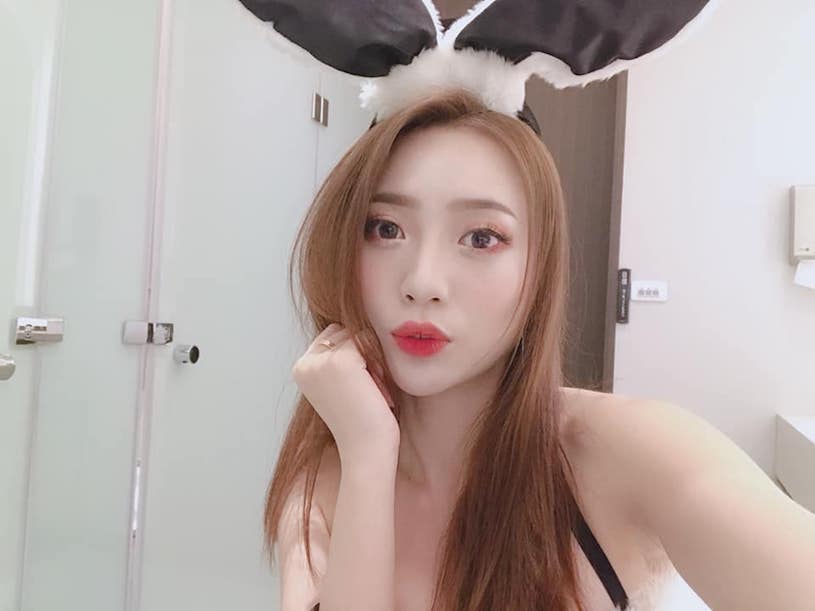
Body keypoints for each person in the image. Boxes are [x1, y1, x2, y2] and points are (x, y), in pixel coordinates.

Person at [262, 88, 815, 611]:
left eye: (481, 238)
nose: (422, 281)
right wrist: (367, 456)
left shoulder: (625, 451)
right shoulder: (324, 481)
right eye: (385, 229)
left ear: (540, 267)